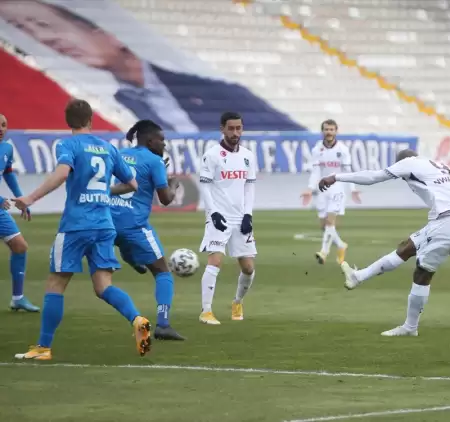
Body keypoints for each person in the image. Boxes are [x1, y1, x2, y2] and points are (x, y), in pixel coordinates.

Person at [0, 0, 305, 132]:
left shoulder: (215, 89)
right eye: (28, 31)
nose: (46, 39)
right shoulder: (117, 103)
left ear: (100, 30)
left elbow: (292, 135)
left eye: (43, 24)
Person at [13, 99, 152, 360]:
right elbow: (132, 183)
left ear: (68, 122)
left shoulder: (67, 144)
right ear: (90, 120)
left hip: (77, 225)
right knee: (103, 286)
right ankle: (137, 319)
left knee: (56, 283)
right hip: (104, 225)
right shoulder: (108, 148)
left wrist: (30, 198)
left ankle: (43, 347)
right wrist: (102, 191)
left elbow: (63, 173)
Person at [319, 149, 450, 336]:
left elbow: (373, 177)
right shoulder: (439, 166)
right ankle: (358, 277)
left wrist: (336, 177)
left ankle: (410, 327)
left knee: (422, 272)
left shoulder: (409, 163)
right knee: (407, 247)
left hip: (448, 222)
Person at [109, 120, 184, 341]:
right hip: (134, 224)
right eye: (161, 140)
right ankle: (163, 324)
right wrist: (173, 184)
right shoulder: (155, 161)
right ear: (150, 140)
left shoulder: (120, 154)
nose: (164, 144)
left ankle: (131, 258)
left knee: (122, 243)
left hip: (108, 220)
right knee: (162, 272)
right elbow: (165, 200)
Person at [198, 112, 257, 325]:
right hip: (219, 216)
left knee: (248, 268)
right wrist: (212, 212)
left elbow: (249, 186)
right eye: (231, 128)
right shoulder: (212, 155)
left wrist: (248, 214)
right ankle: (206, 311)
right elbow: (204, 184)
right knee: (215, 260)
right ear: (222, 129)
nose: (235, 133)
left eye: (238, 128)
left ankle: (237, 301)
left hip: (240, 217)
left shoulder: (248, 155)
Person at [301, 119, 361, 265]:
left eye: (331, 129)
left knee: (330, 221)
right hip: (322, 190)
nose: (329, 132)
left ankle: (324, 252)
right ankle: (340, 245)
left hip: (338, 189)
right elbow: (316, 171)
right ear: (322, 131)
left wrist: (352, 189)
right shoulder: (317, 150)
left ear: (336, 131)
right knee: (324, 225)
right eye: (326, 129)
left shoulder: (343, 150)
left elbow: (348, 171)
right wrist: (310, 189)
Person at [0, 113, 39, 312]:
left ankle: (18, 298)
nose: (1, 128)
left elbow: (7, 173)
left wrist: (22, 199)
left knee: (20, 246)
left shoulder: (6, 148)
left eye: (4, 125)